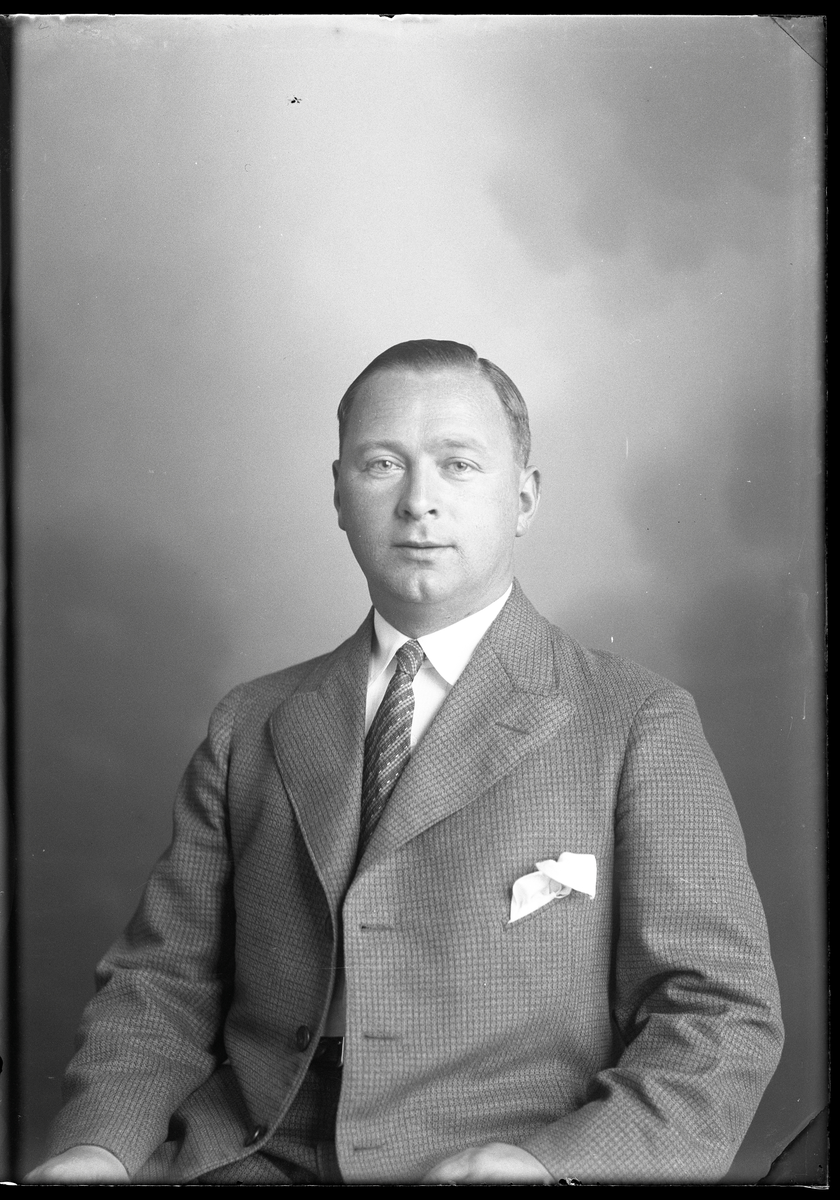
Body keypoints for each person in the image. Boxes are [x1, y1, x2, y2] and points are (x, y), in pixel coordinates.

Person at [26, 340, 783, 1185]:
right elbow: (162, 984)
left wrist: (548, 1162)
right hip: (247, 1154)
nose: (419, 502)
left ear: (524, 498)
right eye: (382, 464)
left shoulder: (636, 721)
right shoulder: (252, 722)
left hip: (496, 1165)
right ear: (339, 495)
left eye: (459, 465)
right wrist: (97, 1147)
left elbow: (719, 1015)